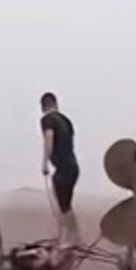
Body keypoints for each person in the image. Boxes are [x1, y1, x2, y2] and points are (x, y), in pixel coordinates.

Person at [39, 92, 81, 244]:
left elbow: (49, 139)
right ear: (56, 104)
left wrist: (45, 162)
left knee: (64, 206)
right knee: (65, 204)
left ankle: (72, 237)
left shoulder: (47, 120)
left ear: (42, 107)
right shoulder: (66, 121)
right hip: (73, 166)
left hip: (64, 168)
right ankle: (69, 236)